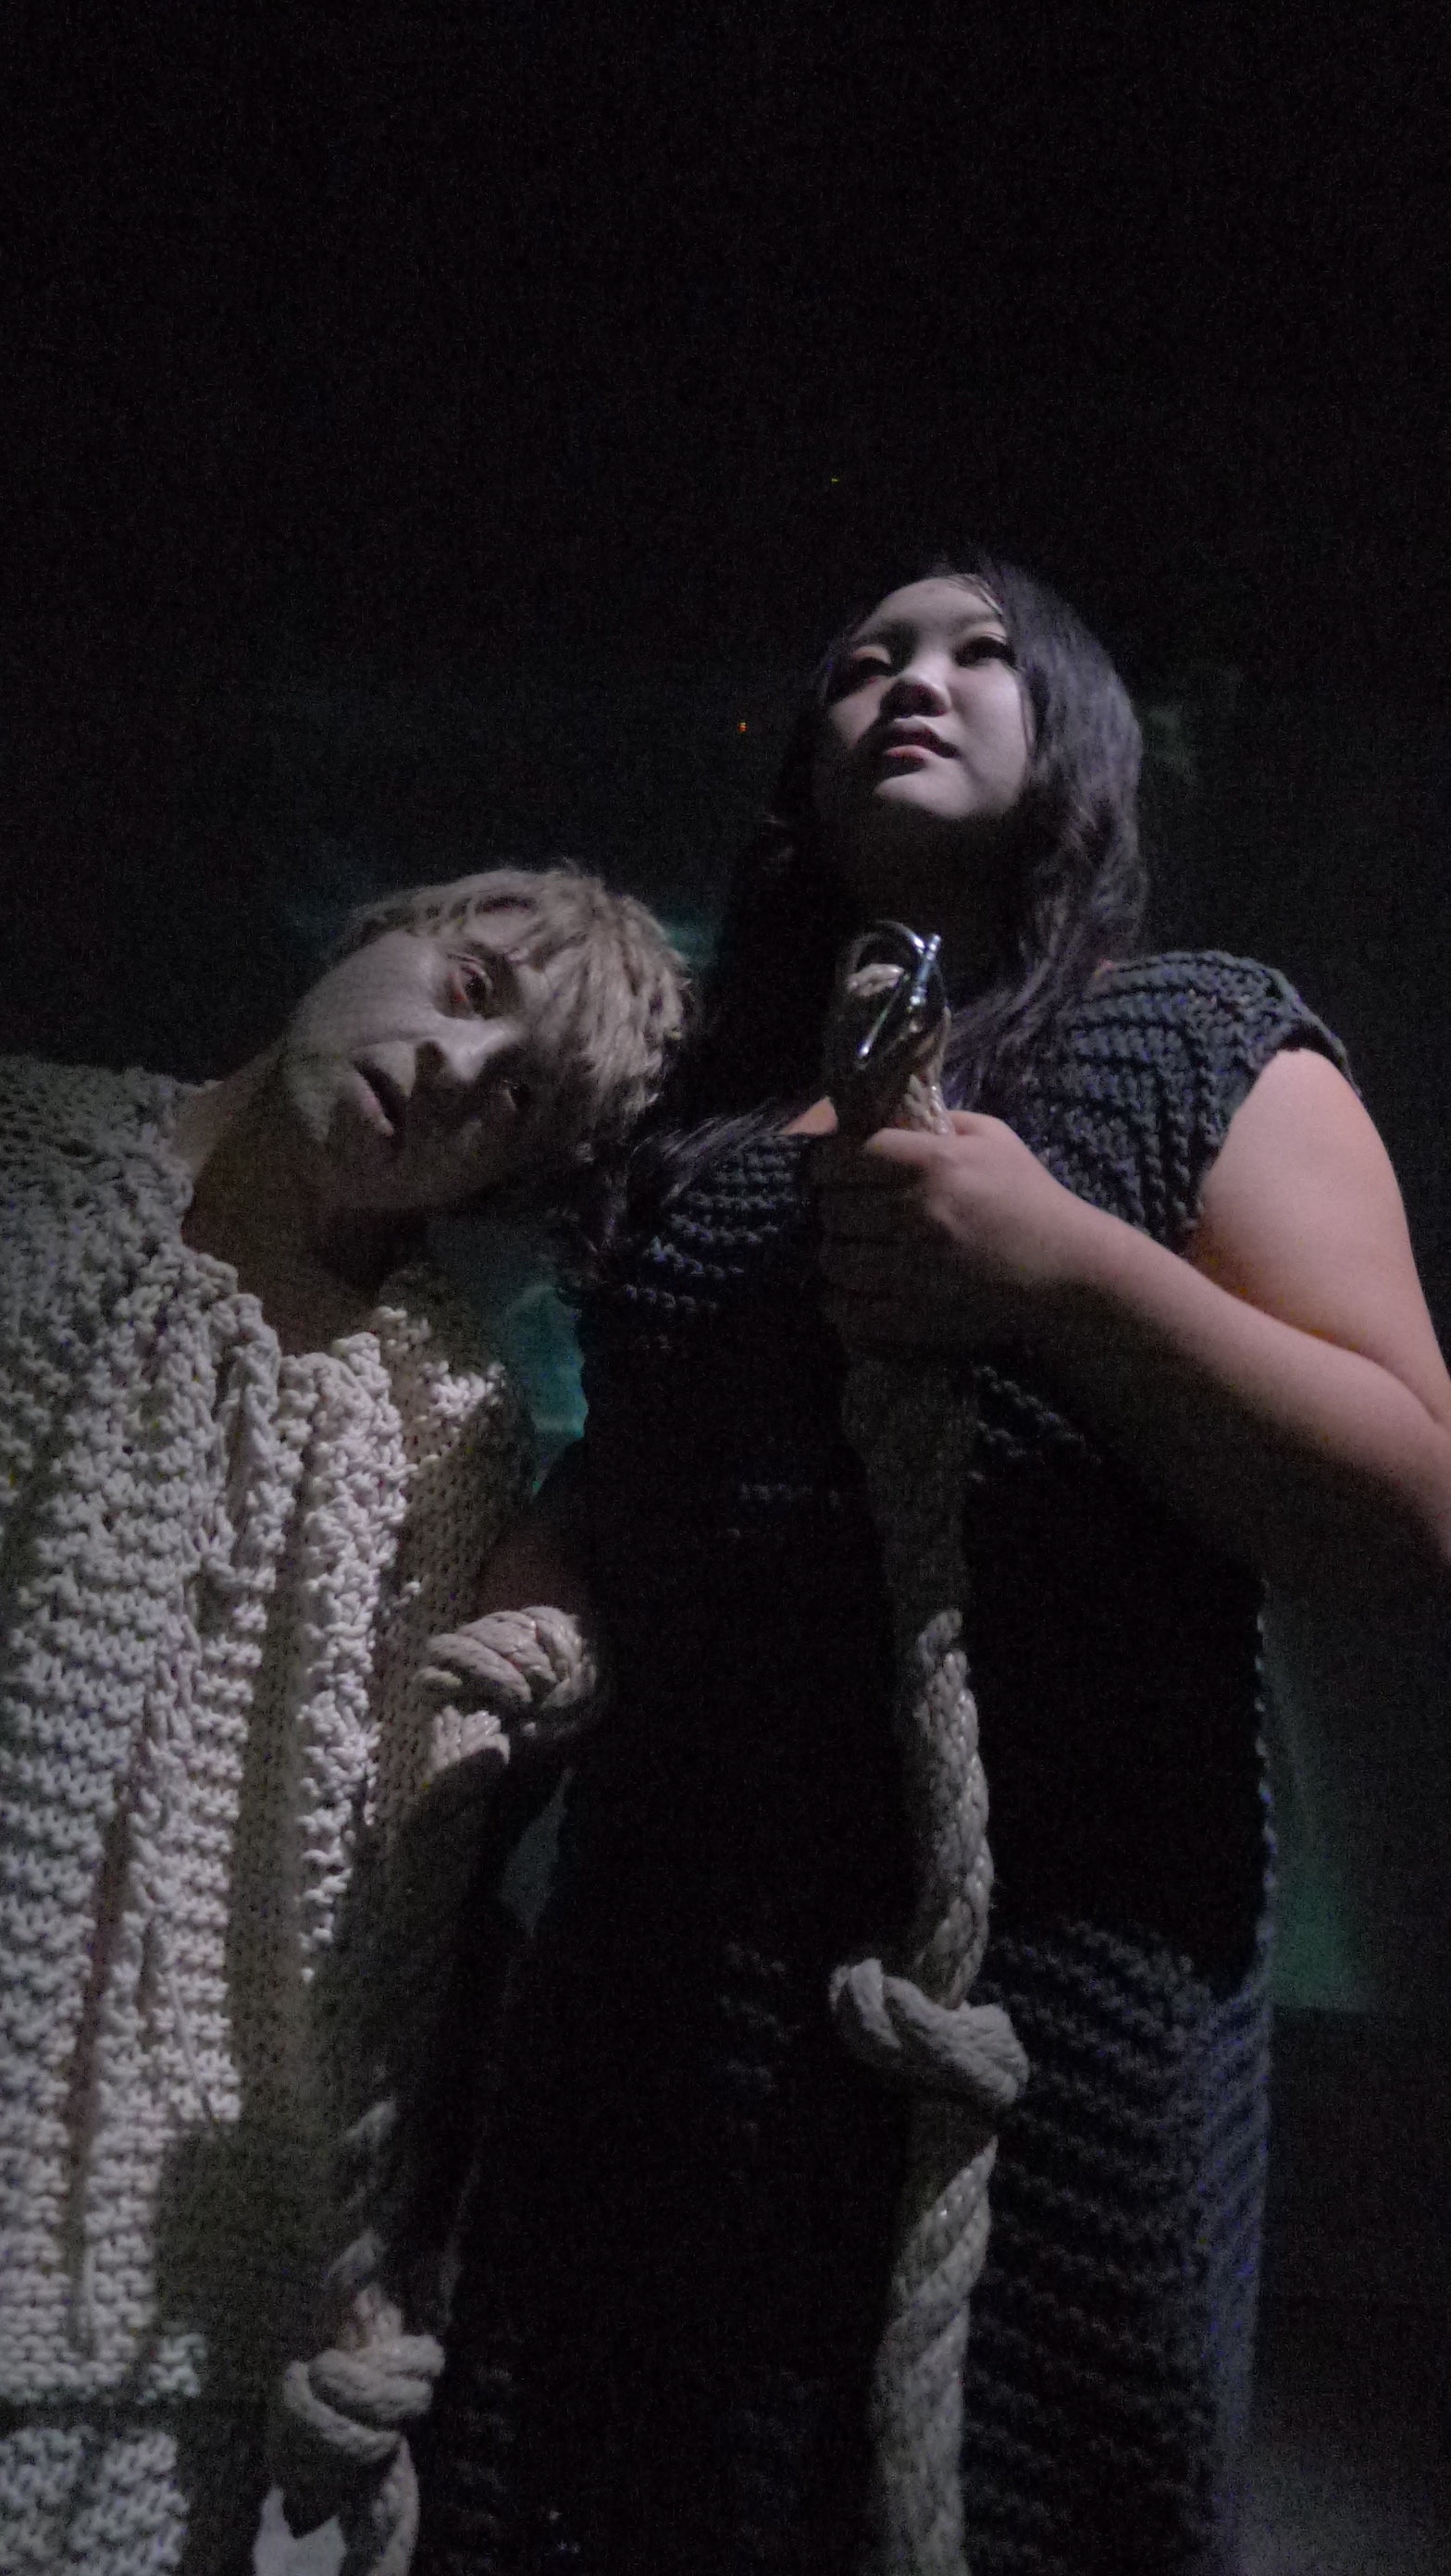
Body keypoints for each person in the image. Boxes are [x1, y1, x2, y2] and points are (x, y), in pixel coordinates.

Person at [413, 562, 1451, 2576]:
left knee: (1009, 2501)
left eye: (981, 652)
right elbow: (640, 1483)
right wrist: (534, 1620)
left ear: (1079, 735)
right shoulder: (705, 1130)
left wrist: (1065, 1272)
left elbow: (1404, 1501)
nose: (915, 678)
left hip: (1044, 2002)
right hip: (659, 1993)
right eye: (869, 660)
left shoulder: (1198, 1041)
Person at [0, 865, 688, 2574]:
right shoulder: (26, 1161)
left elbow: (398, 1888)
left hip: (151, 2277)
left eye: (516, 1100)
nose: (454, 1073)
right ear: (382, 934)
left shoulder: (443, 1416)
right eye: (468, 988)